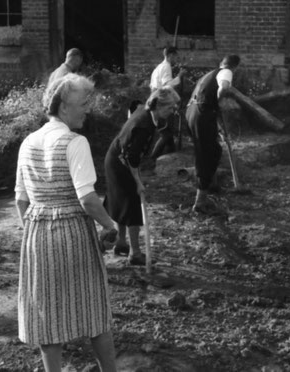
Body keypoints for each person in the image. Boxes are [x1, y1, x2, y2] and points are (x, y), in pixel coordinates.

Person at [15, 73, 118, 372]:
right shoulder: (75, 142)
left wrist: (34, 232)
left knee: (47, 311)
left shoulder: (28, 142)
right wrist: (111, 226)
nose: (88, 109)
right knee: (94, 309)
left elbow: (21, 200)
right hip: (73, 232)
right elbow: (87, 198)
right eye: (84, 103)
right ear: (63, 108)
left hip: (37, 235)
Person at [103, 87, 181, 265]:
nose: (172, 112)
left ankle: (122, 243)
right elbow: (132, 158)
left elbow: (133, 109)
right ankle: (135, 253)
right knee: (130, 206)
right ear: (159, 106)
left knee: (122, 203)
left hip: (114, 157)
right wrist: (138, 182)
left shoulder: (144, 111)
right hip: (120, 162)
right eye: (170, 108)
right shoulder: (145, 125)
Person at [186, 54, 241, 214]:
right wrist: (220, 98)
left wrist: (219, 128)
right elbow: (223, 87)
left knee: (208, 151)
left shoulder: (208, 75)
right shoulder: (226, 72)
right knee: (209, 154)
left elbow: (206, 102)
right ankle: (200, 202)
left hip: (192, 113)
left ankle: (210, 184)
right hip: (201, 115)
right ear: (234, 67)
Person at [149, 46, 186, 163]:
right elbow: (167, 86)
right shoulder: (166, 67)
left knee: (168, 132)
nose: (177, 59)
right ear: (170, 56)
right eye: (176, 56)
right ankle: (152, 159)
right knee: (166, 134)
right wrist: (179, 77)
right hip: (161, 102)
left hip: (156, 99)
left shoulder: (158, 67)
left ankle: (172, 154)